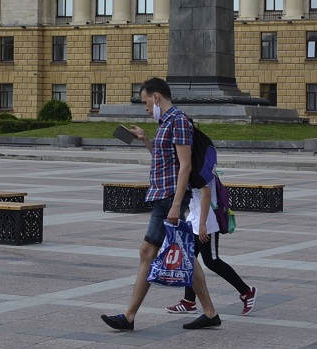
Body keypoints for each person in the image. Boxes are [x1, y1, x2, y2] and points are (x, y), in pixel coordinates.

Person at [101, 77, 221, 331]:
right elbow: (165, 159)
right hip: (163, 195)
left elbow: (185, 166)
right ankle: (210, 313)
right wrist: (146, 139)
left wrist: (177, 205)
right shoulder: (166, 121)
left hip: (169, 198)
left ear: (156, 97)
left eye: (146, 102)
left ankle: (129, 316)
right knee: (184, 255)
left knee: (147, 252)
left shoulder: (177, 120)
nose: (145, 108)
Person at [165, 174, 257, 316]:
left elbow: (206, 195)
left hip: (207, 221)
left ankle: (246, 291)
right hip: (194, 219)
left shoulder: (202, 166)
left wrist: (203, 225)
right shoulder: (192, 163)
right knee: (190, 260)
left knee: (212, 261)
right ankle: (188, 302)